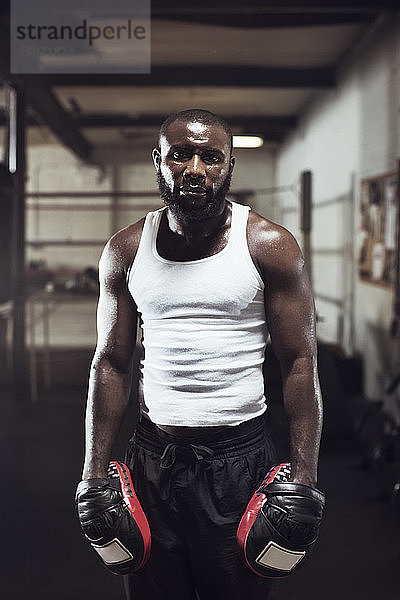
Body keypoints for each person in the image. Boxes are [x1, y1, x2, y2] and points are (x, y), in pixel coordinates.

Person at [79, 109, 323, 599]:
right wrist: (92, 471)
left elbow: (298, 363)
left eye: (211, 157)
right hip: (151, 461)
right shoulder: (126, 250)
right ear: (159, 161)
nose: (195, 168)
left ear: (230, 166)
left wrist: (305, 478)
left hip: (239, 463)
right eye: (181, 155)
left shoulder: (269, 246)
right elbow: (112, 362)